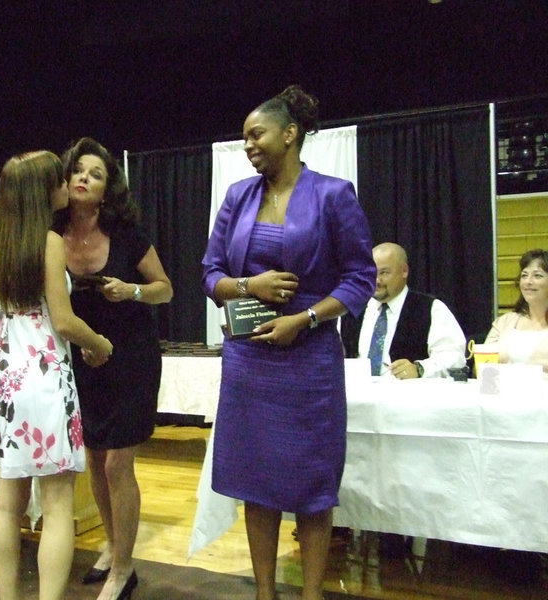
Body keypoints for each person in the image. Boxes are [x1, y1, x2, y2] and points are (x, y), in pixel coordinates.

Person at [201, 85, 376, 600]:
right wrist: (247, 286)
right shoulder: (238, 197)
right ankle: (264, 592)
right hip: (249, 360)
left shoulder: (333, 194)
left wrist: (305, 318)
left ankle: (311, 594)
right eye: (244, 138)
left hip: (310, 360)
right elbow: (210, 273)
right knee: (256, 482)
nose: (248, 145)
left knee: (311, 484)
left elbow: (360, 278)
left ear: (290, 134)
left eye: (256, 134)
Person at [0, 151, 113, 600]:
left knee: (7, 505)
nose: (66, 184)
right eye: (60, 179)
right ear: (43, 191)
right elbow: (63, 320)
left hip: (3, 380)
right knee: (57, 506)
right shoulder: (50, 242)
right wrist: (99, 343)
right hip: (41, 378)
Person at [53, 137, 173, 600]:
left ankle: (124, 568)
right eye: (78, 170)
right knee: (95, 459)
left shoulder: (126, 234)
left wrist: (132, 291)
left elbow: (165, 288)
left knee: (119, 462)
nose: (84, 178)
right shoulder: (51, 234)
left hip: (131, 356)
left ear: (107, 191)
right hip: (83, 357)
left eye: (96, 174)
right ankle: (111, 543)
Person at [341, 242, 467, 378]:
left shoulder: (431, 309)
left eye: (384, 273)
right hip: (356, 390)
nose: (377, 280)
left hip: (408, 390)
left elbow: (454, 357)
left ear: (404, 271)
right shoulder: (351, 309)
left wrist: (420, 369)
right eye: (371, 273)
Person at [485, 248, 548, 373]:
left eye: (537, 276)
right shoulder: (504, 322)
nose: (528, 281)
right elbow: (482, 365)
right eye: (524, 275)